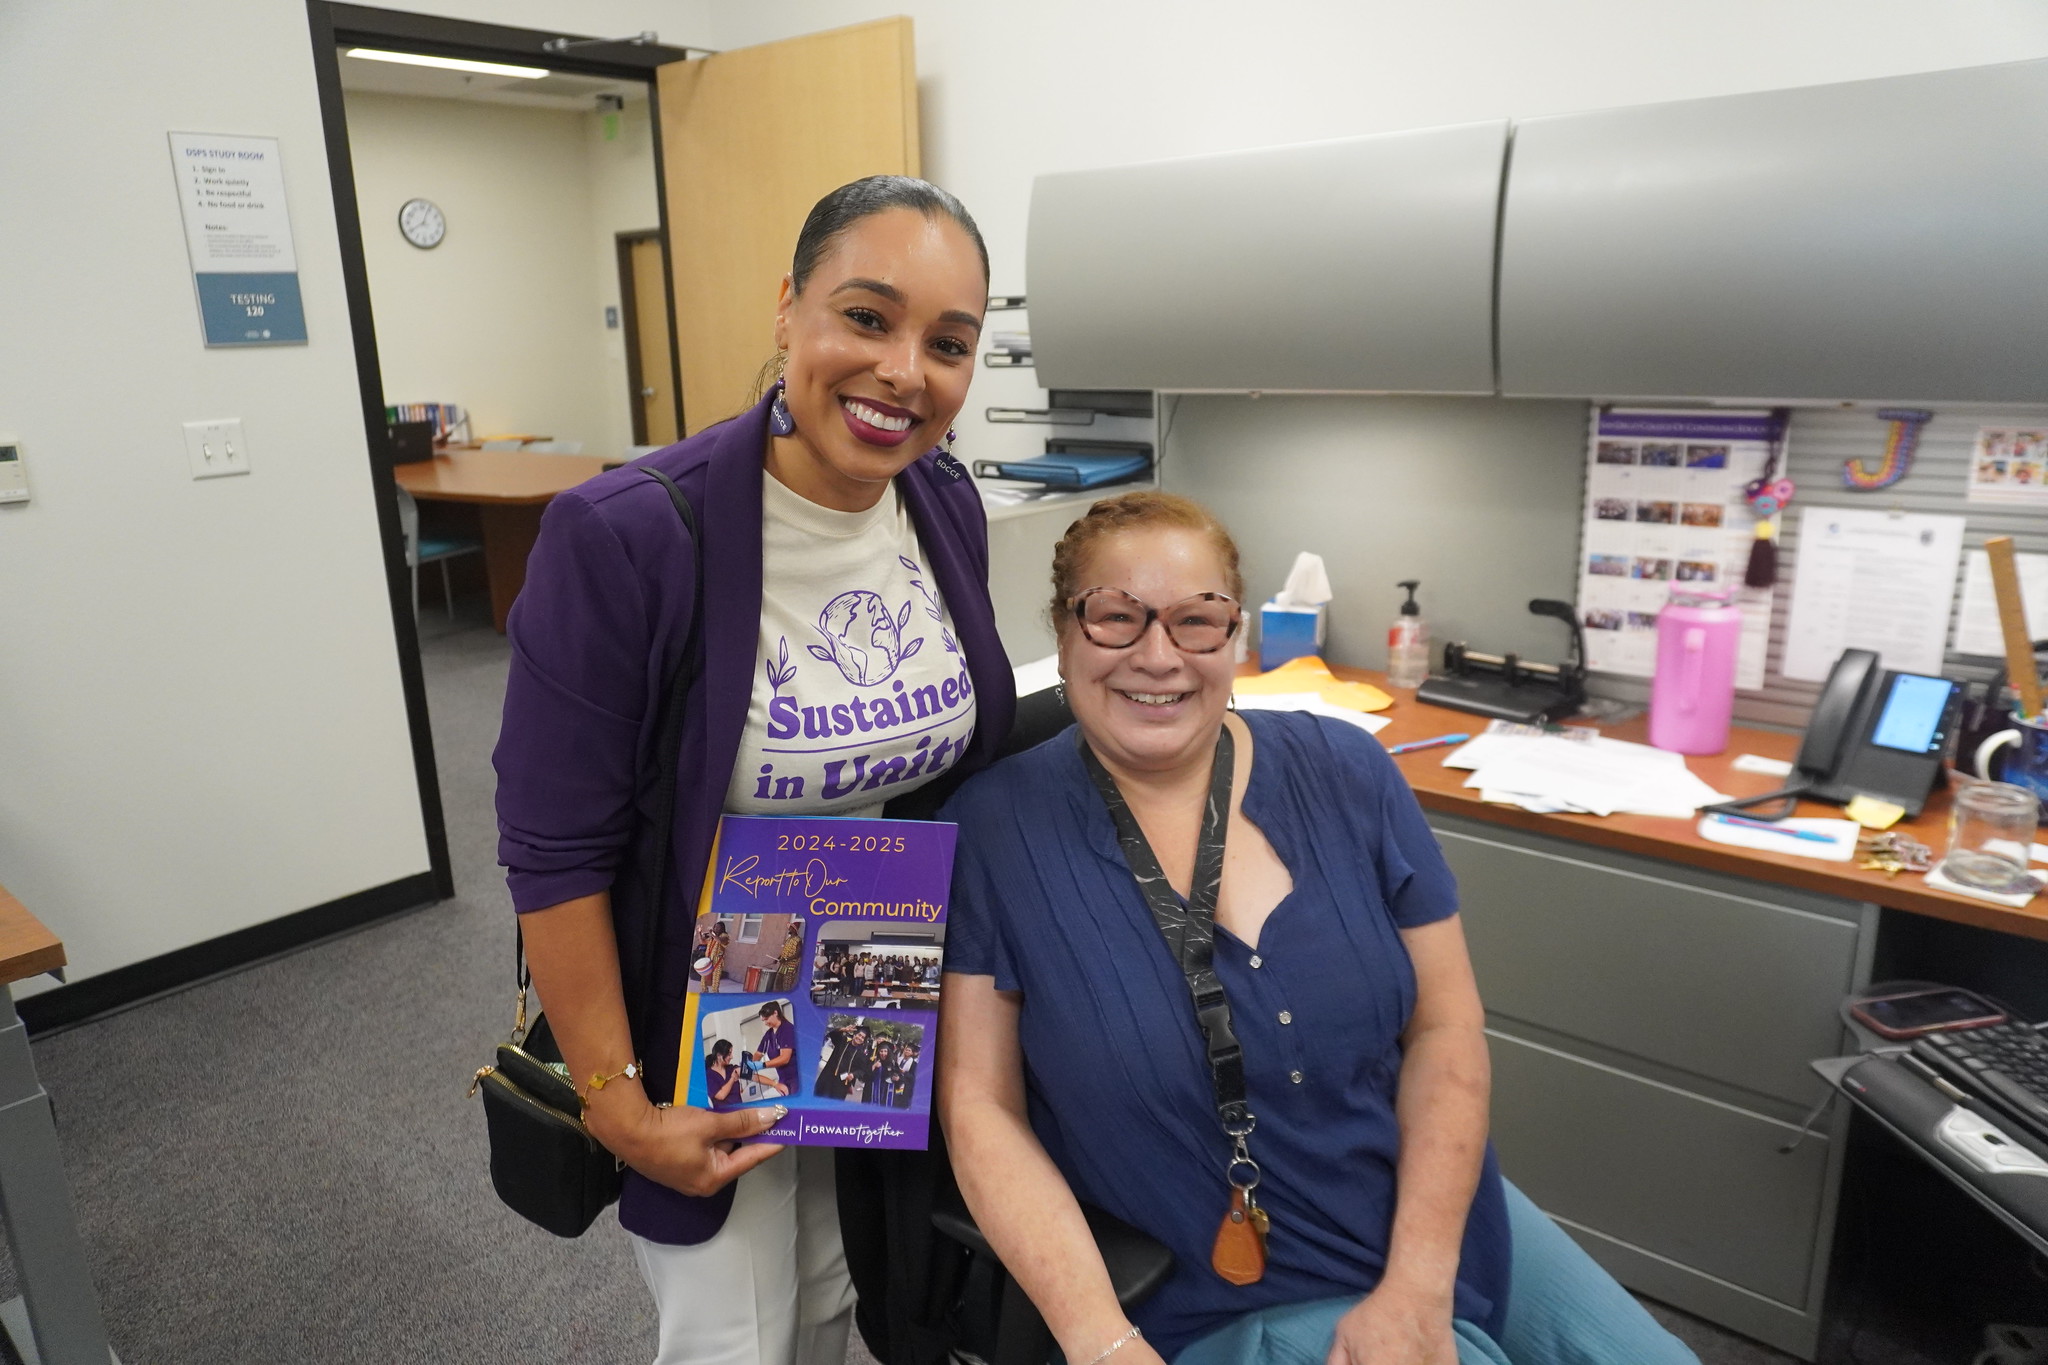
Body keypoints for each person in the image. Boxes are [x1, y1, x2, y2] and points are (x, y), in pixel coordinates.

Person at [938, 492, 1697, 1365]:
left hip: (1423, 1201)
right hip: (1218, 1282)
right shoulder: (997, 826)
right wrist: (1099, 1341)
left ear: (1237, 636)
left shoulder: (1349, 770)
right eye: (1115, 618)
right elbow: (980, 1106)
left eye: (1197, 620)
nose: (1158, 656)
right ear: (1064, 632)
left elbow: (1446, 1028)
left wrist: (1419, 1279)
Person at [495, 175, 1015, 1365]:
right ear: (787, 309)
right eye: (866, 318)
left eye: (947, 344)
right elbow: (554, 851)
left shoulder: (938, 502)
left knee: (843, 1302)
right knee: (731, 1334)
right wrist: (621, 1106)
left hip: (868, 994)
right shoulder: (628, 538)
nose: (903, 373)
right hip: (695, 1024)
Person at [752, 1000, 797, 1097]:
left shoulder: (787, 1029)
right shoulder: (768, 1035)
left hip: (795, 1078)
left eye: (767, 1019)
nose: (765, 1023)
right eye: (763, 1020)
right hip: (783, 1079)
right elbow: (758, 1053)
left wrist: (762, 1065)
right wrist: (749, 1064)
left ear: (776, 1013)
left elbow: (785, 1058)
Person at [704, 1040, 743, 1110]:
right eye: (729, 1054)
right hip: (723, 1115)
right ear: (719, 1056)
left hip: (739, 1112)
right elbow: (721, 1095)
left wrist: (770, 1082)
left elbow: (751, 1075)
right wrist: (732, 1079)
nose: (732, 1057)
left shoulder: (731, 1068)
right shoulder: (708, 1075)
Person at [772, 921, 806, 992]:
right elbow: (784, 952)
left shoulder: (798, 940)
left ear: (794, 929)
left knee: (787, 985)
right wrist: (777, 959)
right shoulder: (788, 939)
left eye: (790, 928)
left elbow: (798, 954)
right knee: (778, 982)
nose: (789, 929)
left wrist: (786, 959)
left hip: (791, 966)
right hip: (783, 965)